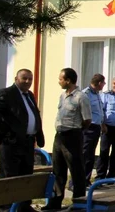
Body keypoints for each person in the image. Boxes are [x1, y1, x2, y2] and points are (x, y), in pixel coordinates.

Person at [0, 68, 44, 212]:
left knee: (26, 175)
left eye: (30, 79)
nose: (28, 81)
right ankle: (6, 208)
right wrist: (7, 131)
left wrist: (38, 134)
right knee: (9, 176)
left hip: (28, 142)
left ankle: (23, 206)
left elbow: (34, 114)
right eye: (24, 78)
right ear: (16, 79)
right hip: (12, 143)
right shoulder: (7, 93)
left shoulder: (30, 95)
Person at [42, 68, 92, 211]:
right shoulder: (63, 96)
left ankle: (78, 202)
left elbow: (87, 119)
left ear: (68, 80)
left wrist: (76, 131)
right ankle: (55, 202)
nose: (59, 82)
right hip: (59, 136)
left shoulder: (81, 97)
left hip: (73, 136)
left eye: (61, 79)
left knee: (76, 171)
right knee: (58, 170)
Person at [81, 74, 107, 187]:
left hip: (96, 127)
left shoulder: (97, 94)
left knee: (90, 155)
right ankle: (78, 181)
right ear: (99, 83)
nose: (104, 85)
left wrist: (102, 124)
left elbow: (99, 112)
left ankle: (86, 179)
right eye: (103, 83)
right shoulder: (85, 94)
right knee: (85, 154)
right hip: (88, 127)